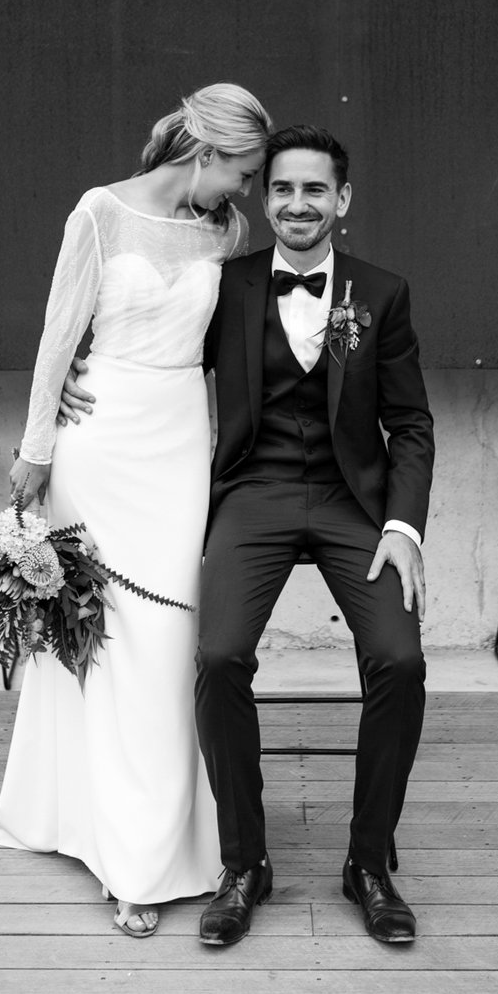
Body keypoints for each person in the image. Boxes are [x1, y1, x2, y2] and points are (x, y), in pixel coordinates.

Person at [62, 124, 434, 947]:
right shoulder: (223, 284)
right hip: (252, 495)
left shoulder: (382, 292)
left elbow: (409, 423)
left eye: (314, 190)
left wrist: (404, 526)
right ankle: (244, 863)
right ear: (261, 201)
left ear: (342, 200)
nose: (296, 203)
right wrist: (76, 393)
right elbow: (140, 341)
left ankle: (367, 861)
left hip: (353, 507)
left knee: (401, 660)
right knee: (218, 654)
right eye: (281, 189)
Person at [0, 83, 273, 939]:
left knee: (164, 640)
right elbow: (57, 334)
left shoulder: (226, 232)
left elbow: (228, 350)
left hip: (179, 445)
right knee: (100, 637)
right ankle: (128, 858)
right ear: (206, 152)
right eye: (245, 173)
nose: (251, 194)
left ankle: (163, 834)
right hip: (98, 438)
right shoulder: (99, 212)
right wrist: (37, 451)